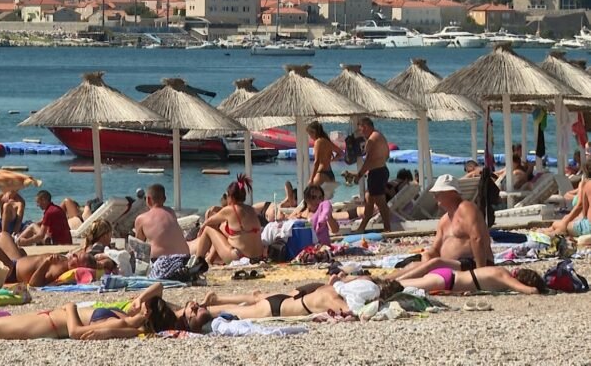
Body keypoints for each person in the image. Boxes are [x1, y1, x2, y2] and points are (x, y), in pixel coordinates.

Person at [0, 281, 174, 342]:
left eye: (144, 304)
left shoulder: (129, 327)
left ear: (148, 315)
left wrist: (71, 306)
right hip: (47, 319)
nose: (140, 300)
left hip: (50, 327)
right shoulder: (129, 317)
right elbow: (158, 287)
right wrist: (144, 305)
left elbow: (77, 333)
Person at [388, 174, 493, 281]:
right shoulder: (444, 220)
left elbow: (477, 239)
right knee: (414, 265)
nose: (434, 196)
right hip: (453, 265)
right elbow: (435, 249)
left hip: (474, 264)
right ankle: (380, 280)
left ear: (451, 193)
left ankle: (395, 284)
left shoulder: (466, 208)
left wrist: (481, 274)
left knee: (435, 263)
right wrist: (428, 255)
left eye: (437, 193)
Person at [201, 275, 403, 321]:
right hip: (276, 309)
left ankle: (219, 298)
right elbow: (356, 313)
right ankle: (200, 310)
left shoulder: (331, 289)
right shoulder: (336, 300)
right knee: (220, 313)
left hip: (288, 299)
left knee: (256, 297)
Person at [0, 239, 95, 287]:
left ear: (79, 267)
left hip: (10, 272)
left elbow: (33, 284)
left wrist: (46, 263)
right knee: (3, 236)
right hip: (16, 262)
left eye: (77, 257)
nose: (74, 255)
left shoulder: (59, 271)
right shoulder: (65, 261)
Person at [190, 174, 263, 264]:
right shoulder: (251, 209)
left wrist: (201, 230)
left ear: (231, 197)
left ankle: (197, 262)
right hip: (258, 256)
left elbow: (209, 221)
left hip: (239, 256)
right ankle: (209, 260)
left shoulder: (230, 210)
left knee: (209, 229)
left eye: (227, 195)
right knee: (224, 232)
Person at [133, 183, 191, 279]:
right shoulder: (171, 212)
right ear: (164, 198)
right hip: (185, 256)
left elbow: (139, 247)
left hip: (162, 259)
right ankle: (179, 270)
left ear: (148, 199)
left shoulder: (141, 219)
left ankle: (174, 272)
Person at [352, 117, 392, 233]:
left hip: (377, 173)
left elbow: (369, 160)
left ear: (365, 126)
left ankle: (387, 228)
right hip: (381, 170)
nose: (361, 132)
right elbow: (386, 156)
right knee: (369, 202)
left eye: (361, 130)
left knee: (381, 203)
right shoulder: (379, 136)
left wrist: (359, 175)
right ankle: (361, 228)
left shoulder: (372, 139)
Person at [398, 266, 546, 295]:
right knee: (398, 286)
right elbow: (528, 290)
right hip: (448, 280)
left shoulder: (502, 270)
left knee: (403, 285)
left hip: (448, 275)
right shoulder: (504, 276)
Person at [545, 169, 591, 237]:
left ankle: (551, 233)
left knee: (556, 224)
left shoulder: (587, 185)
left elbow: (582, 209)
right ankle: (550, 231)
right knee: (561, 223)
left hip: (588, 227)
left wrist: (565, 223)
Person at [308, 121, 343, 200]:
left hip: (321, 174)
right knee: (324, 200)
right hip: (330, 174)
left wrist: (311, 179)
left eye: (310, 134)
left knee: (313, 199)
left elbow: (316, 162)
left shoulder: (318, 142)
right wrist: (332, 160)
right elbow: (341, 153)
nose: (310, 137)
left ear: (314, 132)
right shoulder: (327, 141)